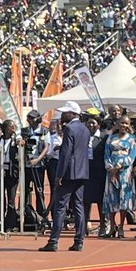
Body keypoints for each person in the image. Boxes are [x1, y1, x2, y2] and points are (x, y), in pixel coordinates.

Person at [40, 100, 89, 251]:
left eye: (66, 112)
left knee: (60, 206)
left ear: (73, 113)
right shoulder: (85, 129)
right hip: (82, 171)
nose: (63, 114)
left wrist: (59, 175)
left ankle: (53, 241)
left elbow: (66, 154)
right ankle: (79, 240)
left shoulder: (69, 129)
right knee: (79, 206)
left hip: (68, 172)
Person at [102, 113, 136, 237]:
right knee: (111, 199)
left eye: (126, 123)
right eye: (122, 122)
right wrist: (111, 168)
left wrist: (120, 166)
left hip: (124, 173)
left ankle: (121, 226)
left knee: (123, 199)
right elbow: (106, 154)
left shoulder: (132, 139)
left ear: (129, 125)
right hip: (111, 172)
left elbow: (132, 156)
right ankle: (112, 226)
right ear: (118, 124)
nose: (123, 125)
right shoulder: (111, 138)